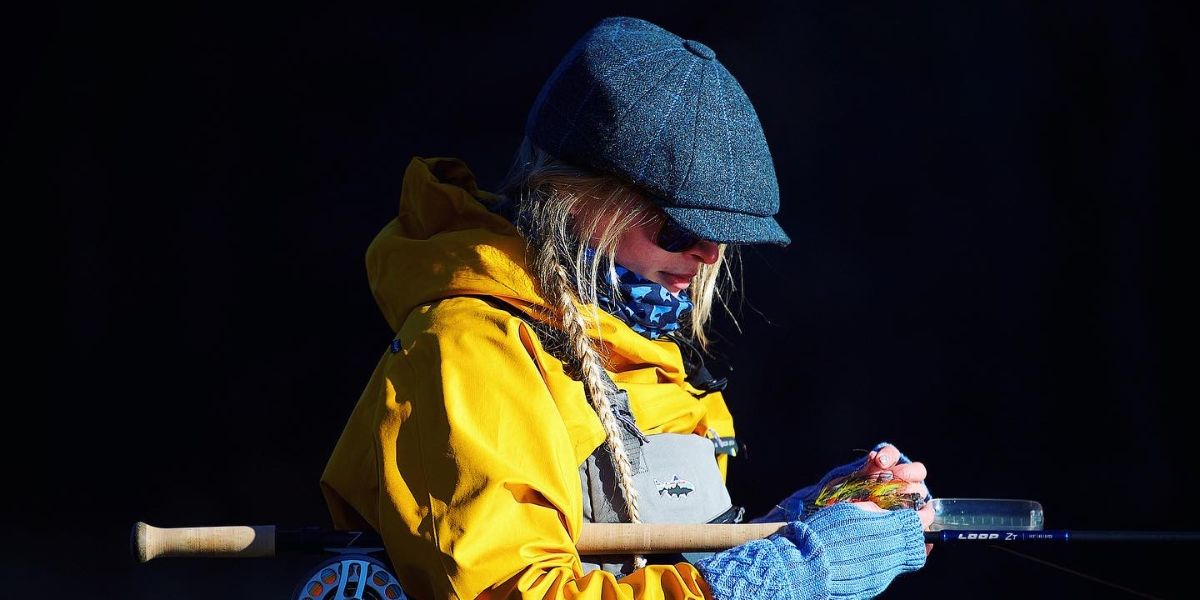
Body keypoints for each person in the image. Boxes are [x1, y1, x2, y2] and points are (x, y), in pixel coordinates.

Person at [320, 16, 933, 600]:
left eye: (722, 234)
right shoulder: (469, 350)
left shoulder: (652, 355)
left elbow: (675, 569)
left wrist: (806, 523)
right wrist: (794, 572)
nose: (708, 255)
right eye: (679, 227)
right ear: (574, 196)